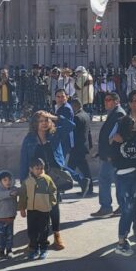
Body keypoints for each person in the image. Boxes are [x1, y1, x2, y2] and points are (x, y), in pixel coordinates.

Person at [18, 110, 76, 250]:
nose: (44, 123)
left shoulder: (55, 135)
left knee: (53, 207)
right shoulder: (29, 139)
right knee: (35, 210)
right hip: (35, 178)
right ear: (35, 123)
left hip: (52, 178)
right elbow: (24, 160)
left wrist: (55, 116)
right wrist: (23, 181)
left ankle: (57, 235)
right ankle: (33, 240)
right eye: (41, 121)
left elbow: (71, 126)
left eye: (46, 120)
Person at [112, 114, 136, 257]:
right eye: (130, 124)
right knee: (127, 210)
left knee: (133, 208)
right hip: (123, 178)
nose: (133, 126)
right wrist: (119, 140)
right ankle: (121, 242)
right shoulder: (117, 140)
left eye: (134, 124)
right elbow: (113, 159)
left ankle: (129, 236)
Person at [91, 92, 126, 217]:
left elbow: (115, 136)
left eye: (109, 100)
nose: (106, 102)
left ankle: (112, 206)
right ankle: (112, 206)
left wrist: (110, 153)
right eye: (105, 100)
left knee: (111, 180)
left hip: (112, 156)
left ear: (116, 101)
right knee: (109, 180)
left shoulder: (119, 113)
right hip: (108, 155)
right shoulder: (114, 113)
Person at [20, 159, 57, 260]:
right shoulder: (27, 181)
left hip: (44, 210)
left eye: (41, 168)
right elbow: (22, 195)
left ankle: (44, 248)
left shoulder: (47, 179)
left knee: (43, 230)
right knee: (32, 231)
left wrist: (51, 202)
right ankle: (33, 249)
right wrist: (22, 209)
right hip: (31, 210)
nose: (40, 170)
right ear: (31, 169)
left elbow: (53, 191)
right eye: (37, 168)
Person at [69, 98, 93, 196]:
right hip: (83, 147)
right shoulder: (86, 115)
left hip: (77, 148)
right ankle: (88, 187)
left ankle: (85, 184)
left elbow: (74, 134)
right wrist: (90, 145)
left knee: (69, 169)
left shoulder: (77, 117)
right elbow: (89, 132)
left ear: (75, 106)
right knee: (84, 169)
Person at [0, 170, 19, 261]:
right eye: (4, 180)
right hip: (0, 219)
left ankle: (9, 250)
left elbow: (17, 195)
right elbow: (3, 195)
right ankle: (1, 251)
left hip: (10, 218)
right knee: (1, 236)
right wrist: (11, 193)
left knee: (9, 236)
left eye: (9, 180)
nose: (8, 182)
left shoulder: (13, 189)